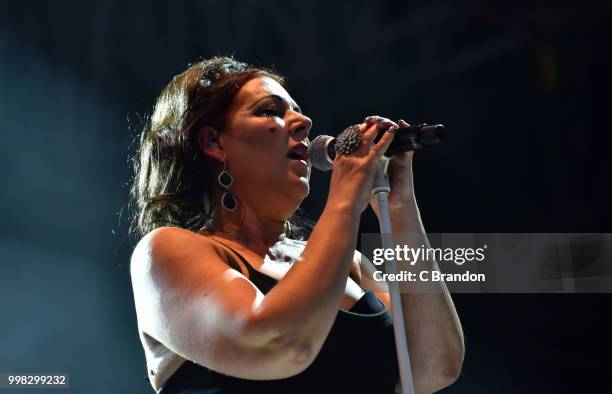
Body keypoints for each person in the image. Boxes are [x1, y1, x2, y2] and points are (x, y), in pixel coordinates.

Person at [129, 56, 464, 394]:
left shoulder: (351, 267)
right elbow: (280, 346)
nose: (304, 121)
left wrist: (399, 206)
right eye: (269, 110)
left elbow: (435, 367)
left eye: (297, 110)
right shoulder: (166, 252)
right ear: (214, 142)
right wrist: (345, 198)